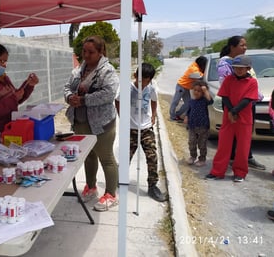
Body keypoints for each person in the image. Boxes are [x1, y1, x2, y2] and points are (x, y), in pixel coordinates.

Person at [64, 35, 119, 212]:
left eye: (91, 52)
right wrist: (69, 97)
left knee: (106, 158)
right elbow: (67, 87)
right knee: (88, 156)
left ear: (100, 52)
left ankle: (111, 194)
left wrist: (84, 100)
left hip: (101, 124)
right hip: (80, 122)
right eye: (84, 51)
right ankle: (91, 186)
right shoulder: (79, 70)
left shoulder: (107, 71)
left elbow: (109, 93)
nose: (86, 55)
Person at [115, 63, 167, 202]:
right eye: (141, 79)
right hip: (130, 129)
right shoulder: (127, 88)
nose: (143, 83)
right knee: (126, 156)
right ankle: (119, 178)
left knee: (152, 156)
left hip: (146, 128)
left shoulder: (151, 88)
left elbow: (154, 101)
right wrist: (122, 118)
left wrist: (154, 114)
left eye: (147, 80)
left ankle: (152, 186)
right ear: (135, 76)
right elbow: (117, 101)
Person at [206, 55, 258, 182]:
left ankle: (240, 172)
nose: (238, 70)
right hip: (228, 118)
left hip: (244, 119)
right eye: (236, 68)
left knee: (242, 147)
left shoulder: (252, 82)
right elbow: (224, 96)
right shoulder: (229, 79)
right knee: (223, 145)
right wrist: (230, 110)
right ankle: (217, 171)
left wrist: (234, 111)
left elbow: (248, 99)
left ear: (248, 68)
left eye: (242, 68)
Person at [216, 35, 265, 170]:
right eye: (242, 45)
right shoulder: (225, 63)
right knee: (228, 136)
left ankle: (243, 162)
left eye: (245, 45)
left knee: (244, 137)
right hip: (234, 105)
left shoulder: (244, 62)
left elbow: (250, 83)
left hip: (247, 104)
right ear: (232, 47)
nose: (245, 47)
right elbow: (226, 87)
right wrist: (233, 109)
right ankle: (228, 162)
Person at [184, 80, 213, 167]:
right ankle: (193, 156)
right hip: (192, 126)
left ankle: (202, 159)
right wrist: (186, 117)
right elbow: (188, 111)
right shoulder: (191, 101)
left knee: (202, 144)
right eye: (195, 90)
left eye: (199, 91)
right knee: (191, 142)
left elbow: (211, 101)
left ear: (203, 93)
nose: (196, 92)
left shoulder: (204, 101)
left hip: (203, 126)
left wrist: (205, 91)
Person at [169, 56, 207, 122]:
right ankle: (172, 116)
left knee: (188, 103)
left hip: (186, 88)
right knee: (175, 102)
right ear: (201, 64)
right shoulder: (194, 68)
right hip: (181, 86)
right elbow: (200, 77)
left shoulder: (197, 67)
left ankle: (177, 115)